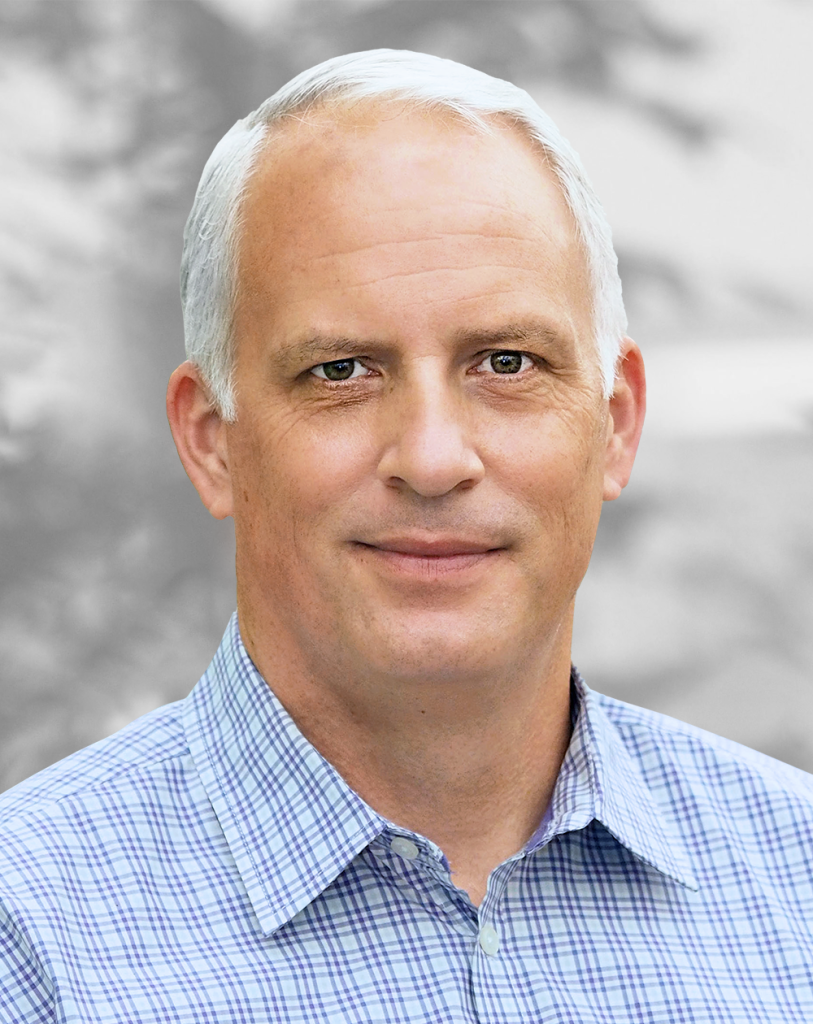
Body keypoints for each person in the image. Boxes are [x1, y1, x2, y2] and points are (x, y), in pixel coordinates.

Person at [1, 49, 812, 1024]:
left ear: (617, 424)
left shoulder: (796, 887)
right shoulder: (32, 941)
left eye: (506, 361)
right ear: (213, 442)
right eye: (341, 370)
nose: (432, 458)